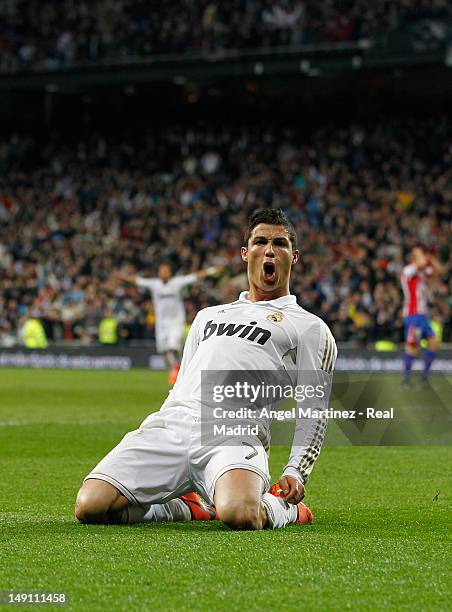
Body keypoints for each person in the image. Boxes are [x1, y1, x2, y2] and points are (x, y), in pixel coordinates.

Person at [75, 208, 337, 530]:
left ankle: (285, 509)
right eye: (260, 242)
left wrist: (296, 470)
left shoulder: (309, 327)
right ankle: (184, 508)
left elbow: (315, 407)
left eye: (280, 244)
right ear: (245, 253)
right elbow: (182, 382)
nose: (269, 250)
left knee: (240, 515)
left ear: (293, 257)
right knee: (91, 506)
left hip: (234, 431)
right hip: (174, 425)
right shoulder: (208, 316)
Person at [115, 261, 221, 383]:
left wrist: (212, 270)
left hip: (175, 321)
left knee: (172, 347)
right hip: (161, 323)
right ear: (158, 272)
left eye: (166, 270)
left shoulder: (177, 283)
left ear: (170, 273)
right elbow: (136, 280)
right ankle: (178, 369)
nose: (164, 273)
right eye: (162, 270)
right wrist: (121, 276)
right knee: (165, 350)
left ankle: (177, 371)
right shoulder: (154, 284)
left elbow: (195, 276)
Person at [401, 245, 443, 386]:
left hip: (423, 316)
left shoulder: (422, 272)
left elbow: (439, 270)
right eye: (419, 254)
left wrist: (431, 257)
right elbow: (422, 264)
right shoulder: (408, 270)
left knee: (433, 344)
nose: (422, 256)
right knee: (412, 347)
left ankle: (424, 377)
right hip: (413, 315)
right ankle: (406, 380)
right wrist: (426, 258)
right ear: (414, 257)